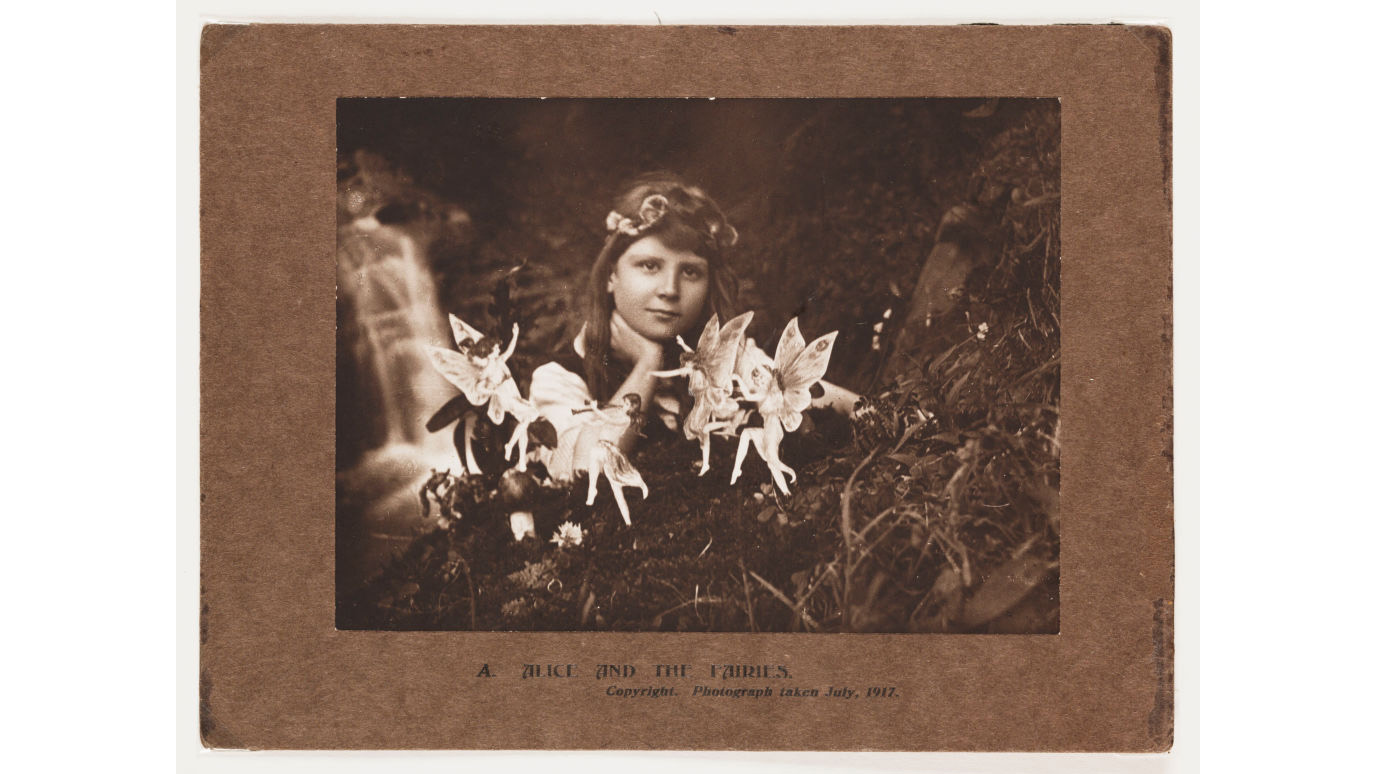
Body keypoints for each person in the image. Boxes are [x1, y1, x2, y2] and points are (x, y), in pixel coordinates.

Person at [529, 172, 856, 483]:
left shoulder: (728, 359)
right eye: (649, 266)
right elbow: (584, 471)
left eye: (690, 272)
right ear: (611, 275)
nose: (670, 289)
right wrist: (647, 365)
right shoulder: (561, 377)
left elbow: (837, 402)